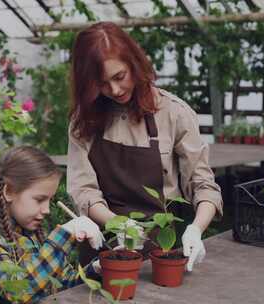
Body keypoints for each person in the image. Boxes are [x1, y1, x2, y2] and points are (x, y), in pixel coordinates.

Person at [67, 22, 223, 271]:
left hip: (159, 256)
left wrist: (195, 229)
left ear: (134, 63)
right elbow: (83, 190)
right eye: (102, 84)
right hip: (103, 252)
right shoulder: (84, 121)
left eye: (119, 77)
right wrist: (118, 223)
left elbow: (202, 184)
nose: (114, 90)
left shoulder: (173, 113)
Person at [0, 146, 104, 304]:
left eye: (49, 200)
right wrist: (64, 235)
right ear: (9, 192)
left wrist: (97, 268)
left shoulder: (35, 234)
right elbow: (18, 294)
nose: (47, 210)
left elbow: (62, 284)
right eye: (39, 199)